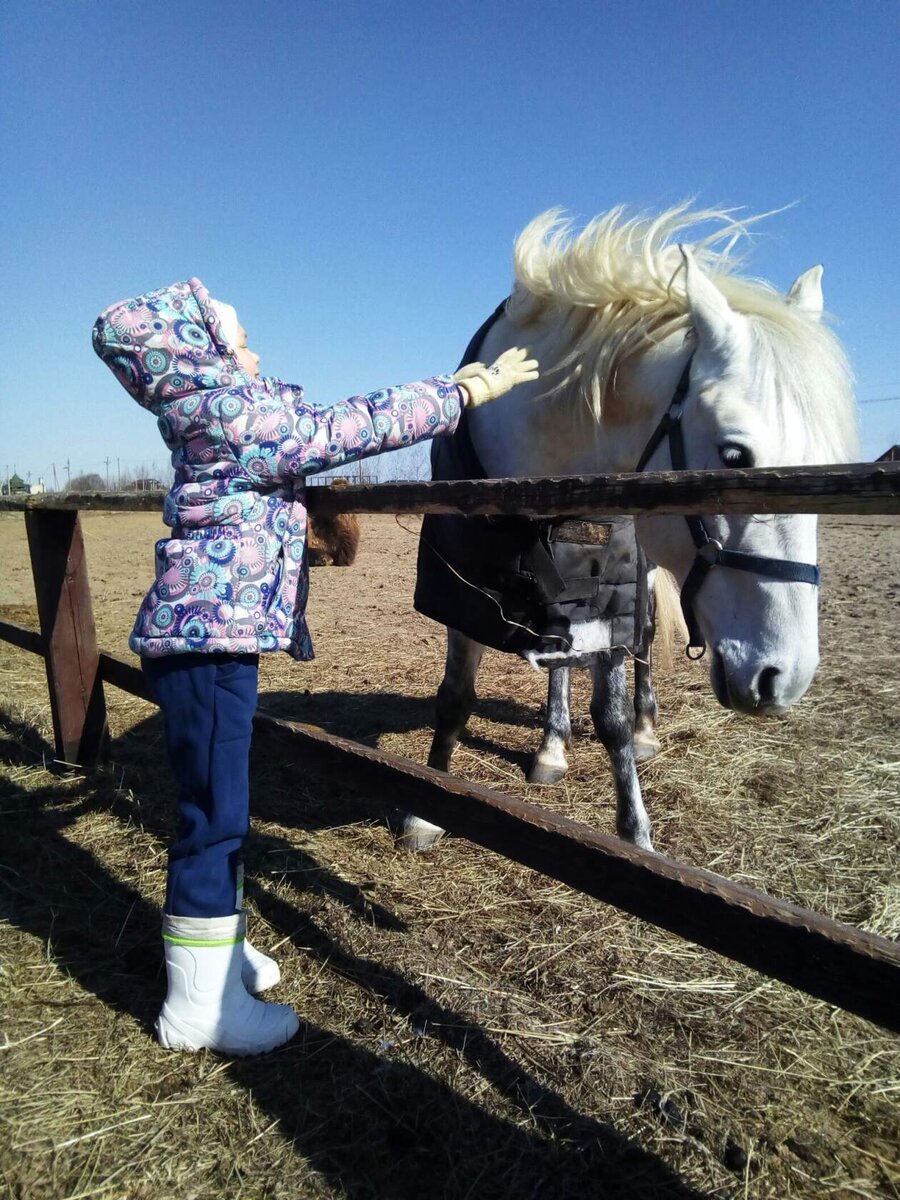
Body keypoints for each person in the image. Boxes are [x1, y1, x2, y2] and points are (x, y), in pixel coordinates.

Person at [93, 277, 537, 1056]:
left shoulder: (213, 408)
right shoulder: (232, 411)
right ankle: (199, 1010)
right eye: (239, 334)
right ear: (207, 350)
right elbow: (340, 428)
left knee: (218, 809)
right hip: (208, 643)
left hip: (210, 639)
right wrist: (460, 393)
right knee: (214, 822)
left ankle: (216, 956)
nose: (255, 346)